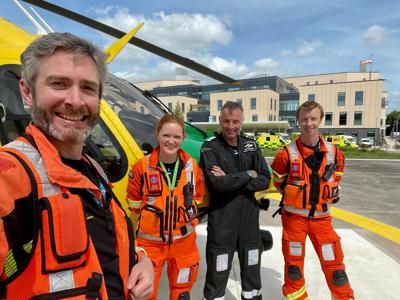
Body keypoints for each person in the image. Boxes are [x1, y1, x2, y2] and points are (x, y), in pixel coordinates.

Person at [0, 32, 154, 300]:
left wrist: (141, 259)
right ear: (27, 91)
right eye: (59, 84)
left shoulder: (93, 168)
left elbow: (108, 241)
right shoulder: (10, 176)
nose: (75, 101)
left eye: (87, 88)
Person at [271, 101, 354, 300]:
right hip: (294, 221)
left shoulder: (335, 154)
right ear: (298, 122)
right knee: (293, 268)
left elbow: (336, 178)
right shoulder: (285, 155)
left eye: (313, 119)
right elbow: (277, 183)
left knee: (336, 269)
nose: (309, 123)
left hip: (322, 221)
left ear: (320, 120)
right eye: (304, 119)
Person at [126, 114, 205, 300]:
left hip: (184, 242)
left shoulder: (192, 167)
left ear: (183, 138)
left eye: (176, 137)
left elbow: (198, 197)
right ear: (157, 135)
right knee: (145, 293)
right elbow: (133, 202)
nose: (171, 141)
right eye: (166, 135)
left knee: (182, 293)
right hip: (150, 244)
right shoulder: (141, 168)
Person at [200, 101, 270, 300]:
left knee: (252, 273)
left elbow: (265, 179)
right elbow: (217, 184)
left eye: (235, 122)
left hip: (249, 223)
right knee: (217, 274)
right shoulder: (210, 147)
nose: (231, 126)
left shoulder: (251, 145)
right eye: (227, 121)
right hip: (222, 223)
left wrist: (231, 177)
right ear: (220, 121)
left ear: (242, 122)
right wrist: (249, 174)